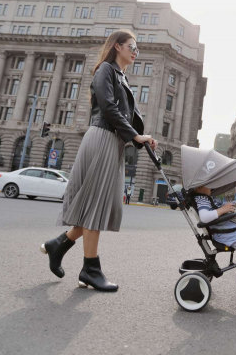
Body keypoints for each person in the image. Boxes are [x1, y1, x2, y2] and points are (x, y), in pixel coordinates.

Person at [40, 30, 157, 292]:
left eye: (137, 48)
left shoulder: (121, 76)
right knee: (96, 206)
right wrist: (136, 136)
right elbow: (107, 107)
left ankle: (58, 245)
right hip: (103, 136)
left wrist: (142, 138)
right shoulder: (106, 69)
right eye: (132, 46)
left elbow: (129, 114)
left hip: (113, 140)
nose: (135, 51)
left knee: (98, 205)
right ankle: (90, 269)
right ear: (117, 46)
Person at [193, 185, 236, 288]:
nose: (211, 188)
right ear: (199, 187)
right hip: (227, 234)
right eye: (208, 185)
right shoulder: (202, 199)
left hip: (229, 232)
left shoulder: (204, 197)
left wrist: (226, 207)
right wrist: (223, 209)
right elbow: (204, 217)